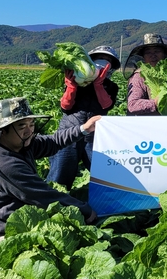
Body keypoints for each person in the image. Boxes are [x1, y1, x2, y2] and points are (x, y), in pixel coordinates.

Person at [0, 98, 100, 263]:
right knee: (47, 256)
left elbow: (53, 141)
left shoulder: (21, 145)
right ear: (3, 130)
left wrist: (84, 129)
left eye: (31, 124)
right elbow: (44, 196)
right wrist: (86, 210)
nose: (29, 131)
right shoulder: (5, 162)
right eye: (22, 126)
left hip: (12, 231)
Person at [46, 46, 120, 189]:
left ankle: (104, 206)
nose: (102, 63)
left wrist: (99, 85)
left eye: (107, 60)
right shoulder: (78, 81)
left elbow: (106, 106)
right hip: (69, 133)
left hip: (95, 136)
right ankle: (53, 204)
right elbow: (65, 107)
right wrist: (71, 87)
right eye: (98, 59)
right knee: (59, 176)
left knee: (102, 178)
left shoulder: (111, 86)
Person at [124, 33, 167, 116]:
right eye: (148, 53)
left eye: (157, 51)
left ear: (164, 54)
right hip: (147, 125)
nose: (153, 55)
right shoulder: (139, 76)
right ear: (143, 57)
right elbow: (132, 105)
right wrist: (156, 102)